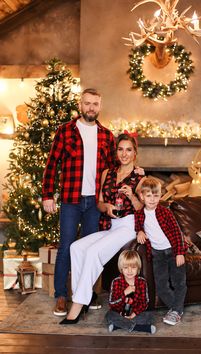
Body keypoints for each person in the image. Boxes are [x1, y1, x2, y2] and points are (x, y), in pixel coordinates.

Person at [42, 88, 116, 316]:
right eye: (87, 103)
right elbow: (51, 166)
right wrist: (47, 195)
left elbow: (113, 171)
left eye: (95, 103)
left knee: (91, 250)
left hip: (95, 204)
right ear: (80, 105)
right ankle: (61, 296)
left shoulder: (107, 136)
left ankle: (88, 293)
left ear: (100, 106)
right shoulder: (65, 132)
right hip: (71, 201)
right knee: (66, 248)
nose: (91, 107)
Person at [59, 133, 146, 325]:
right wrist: (106, 208)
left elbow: (142, 208)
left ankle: (77, 305)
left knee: (92, 252)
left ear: (135, 153)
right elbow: (99, 202)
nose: (124, 154)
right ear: (116, 152)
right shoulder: (108, 173)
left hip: (129, 226)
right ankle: (86, 296)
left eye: (129, 150)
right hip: (111, 226)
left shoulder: (140, 177)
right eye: (121, 149)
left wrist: (132, 196)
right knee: (76, 247)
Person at [135, 176, 188, 326]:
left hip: (173, 251)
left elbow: (177, 233)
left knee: (179, 282)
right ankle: (177, 308)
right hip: (157, 255)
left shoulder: (165, 212)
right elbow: (138, 226)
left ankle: (176, 312)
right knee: (161, 285)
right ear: (142, 196)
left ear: (160, 196)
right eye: (149, 196)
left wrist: (180, 253)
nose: (152, 199)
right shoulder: (139, 214)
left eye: (156, 195)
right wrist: (139, 231)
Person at [105, 249, 156, 334]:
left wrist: (134, 313)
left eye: (133, 267)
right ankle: (140, 328)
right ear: (121, 268)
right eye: (126, 267)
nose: (129, 271)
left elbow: (145, 302)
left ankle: (118, 325)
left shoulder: (142, 282)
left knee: (150, 316)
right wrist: (124, 293)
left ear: (138, 268)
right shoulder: (116, 281)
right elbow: (112, 303)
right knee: (109, 315)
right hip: (119, 313)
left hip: (136, 314)